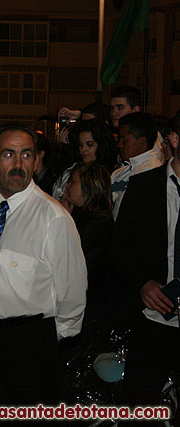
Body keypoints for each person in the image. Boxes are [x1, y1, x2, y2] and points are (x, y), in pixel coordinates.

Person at [0, 123, 86, 406]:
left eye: (26, 155)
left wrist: (43, 341)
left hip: (33, 343)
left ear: (36, 160)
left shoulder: (52, 217)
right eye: (9, 154)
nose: (18, 164)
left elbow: (73, 293)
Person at [112, 112, 180, 421]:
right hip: (153, 319)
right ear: (175, 140)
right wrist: (143, 282)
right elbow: (121, 245)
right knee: (139, 409)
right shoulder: (144, 186)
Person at [59, 162, 114, 362]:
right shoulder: (85, 217)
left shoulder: (98, 222)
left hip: (89, 308)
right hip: (79, 304)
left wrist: (64, 217)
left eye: (72, 182)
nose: (67, 188)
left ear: (88, 187)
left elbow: (67, 252)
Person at [111, 112, 162, 218]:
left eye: (124, 140)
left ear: (141, 142)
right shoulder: (119, 173)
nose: (119, 145)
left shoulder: (156, 175)